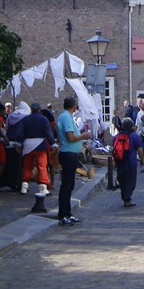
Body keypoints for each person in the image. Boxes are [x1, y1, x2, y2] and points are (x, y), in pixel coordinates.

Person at [55, 96, 86, 226]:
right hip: (68, 153)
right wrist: (84, 136)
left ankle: (67, 213)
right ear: (74, 107)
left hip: (70, 153)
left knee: (69, 185)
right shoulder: (66, 117)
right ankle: (63, 214)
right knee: (67, 185)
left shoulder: (65, 116)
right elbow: (71, 137)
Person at [19, 102, 56, 195]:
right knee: (42, 166)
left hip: (27, 145)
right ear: (39, 110)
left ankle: (24, 187)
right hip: (40, 145)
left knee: (27, 166)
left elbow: (20, 133)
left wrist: (18, 144)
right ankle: (42, 188)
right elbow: (48, 133)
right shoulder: (44, 119)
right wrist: (53, 144)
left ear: (31, 109)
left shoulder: (25, 119)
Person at [1, 101, 31, 191]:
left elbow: (7, 128)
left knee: (11, 163)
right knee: (21, 164)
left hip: (10, 142)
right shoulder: (26, 116)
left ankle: (11, 183)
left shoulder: (11, 116)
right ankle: (20, 184)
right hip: (21, 142)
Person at [114, 118, 140, 207]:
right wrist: (143, 159)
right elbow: (140, 149)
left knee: (122, 180)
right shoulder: (134, 136)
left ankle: (125, 197)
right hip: (131, 163)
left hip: (120, 162)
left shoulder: (117, 136)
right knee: (131, 181)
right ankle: (127, 198)